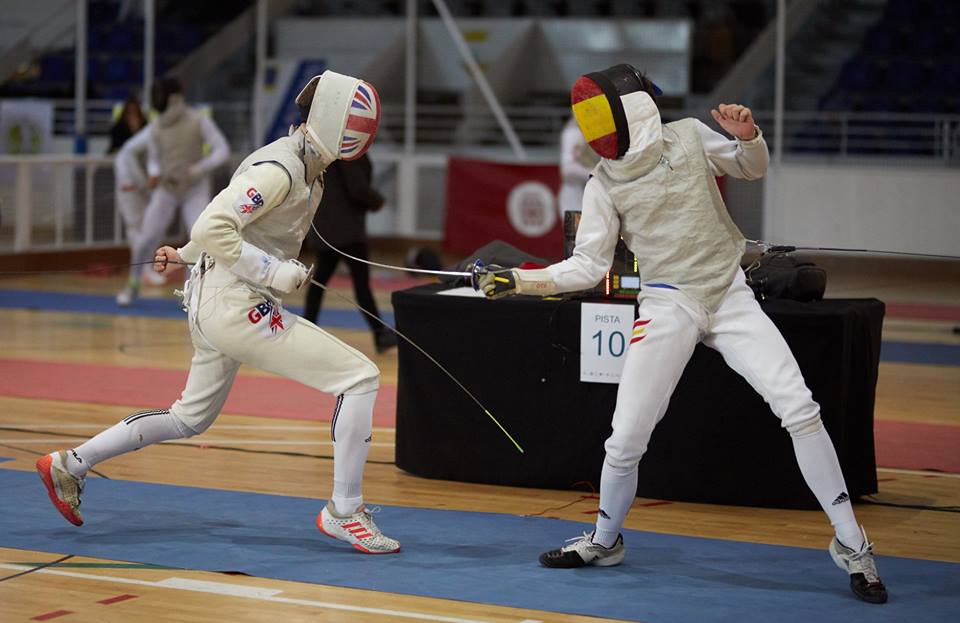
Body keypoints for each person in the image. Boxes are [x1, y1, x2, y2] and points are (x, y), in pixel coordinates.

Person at [478, 64, 887, 604]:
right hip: (669, 302)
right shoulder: (603, 181)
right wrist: (521, 282)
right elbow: (585, 266)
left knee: (799, 408)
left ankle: (854, 545)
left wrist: (749, 137)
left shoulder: (690, 136)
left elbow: (749, 167)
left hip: (729, 294)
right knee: (625, 438)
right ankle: (605, 540)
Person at [37, 70, 400, 554]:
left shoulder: (308, 174)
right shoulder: (283, 169)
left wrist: (185, 254)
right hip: (234, 306)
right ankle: (344, 512)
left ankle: (71, 463)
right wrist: (272, 272)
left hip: (215, 299)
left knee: (188, 418)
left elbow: (228, 229)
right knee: (359, 378)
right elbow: (214, 224)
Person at [117, 77, 230, 307]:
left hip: (195, 188)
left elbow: (222, 150)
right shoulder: (156, 127)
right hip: (167, 189)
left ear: (173, 99)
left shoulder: (198, 120)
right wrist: (155, 172)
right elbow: (154, 159)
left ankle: (192, 294)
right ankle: (133, 283)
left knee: (198, 239)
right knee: (146, 238)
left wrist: (198, 170)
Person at [302, 153, 397, 353]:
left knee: (320, 280)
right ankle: (380, 333)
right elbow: (357, 189)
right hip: (346, 229)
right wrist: (377, 201)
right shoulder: (349, 153)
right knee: (360, 283)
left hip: (330, 225)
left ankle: (306, 331)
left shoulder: (328, 150)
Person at [557, 116, 598, 216]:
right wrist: (600, 176)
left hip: (594, 196)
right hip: (575, 198)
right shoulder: (574, 131)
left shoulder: (598, 128)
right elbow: (568, 171)